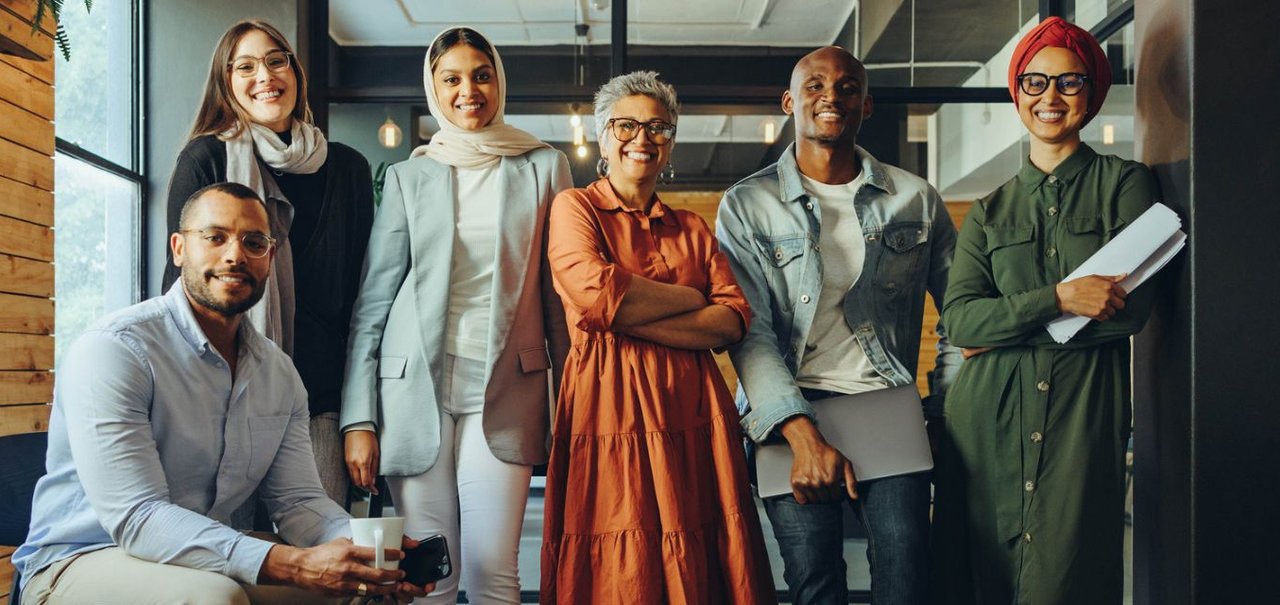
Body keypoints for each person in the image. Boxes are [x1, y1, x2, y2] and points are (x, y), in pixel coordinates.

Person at [12, 183, 430, 605]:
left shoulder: (279, 374)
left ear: (269, 258)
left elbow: (298, 501)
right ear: (178, 249)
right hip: (80, 558)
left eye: (254, 242)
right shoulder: (115, 349)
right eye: (214, 237)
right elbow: (138, 517)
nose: (235, 255)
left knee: (348, 588)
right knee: (214, 597)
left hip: (196, 553)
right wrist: (296, 564)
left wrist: (371, 551)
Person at [715, 46, 959, 605]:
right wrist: (801, 435)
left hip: (887, 408)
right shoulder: (748, 205)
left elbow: (961, 317)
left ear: (866, 105)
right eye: (816, 85)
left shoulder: (915, 199)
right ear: (789, 102)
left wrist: (942, 412)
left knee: (906, 580)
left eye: (848, 87)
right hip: (788, 416)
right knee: (814, 584)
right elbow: (749, 334)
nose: (832, 96)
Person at [931, 17, 1159, 605]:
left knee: (1065, 581)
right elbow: (959, 322)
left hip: (1083, 418)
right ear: (1017, 93)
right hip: (985, 423)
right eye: (1034, 83)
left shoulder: (1128, 186)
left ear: (1093, 91)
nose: (1049, 99)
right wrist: (1057, 298)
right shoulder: (987, 211)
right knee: (982, 580)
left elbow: (1129, 312)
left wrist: (1004, 325)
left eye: (1068, 82)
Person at [341, 27, 572, 605]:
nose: (469, 90)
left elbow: (559, 301)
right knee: (428, 576)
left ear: (499, 82)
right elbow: (372, 305)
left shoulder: (544, 168)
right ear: (434, 89)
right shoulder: (408, 176)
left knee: (494, 570)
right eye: (452, 79)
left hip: (508, 388)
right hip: (412, 392)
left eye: (481, 74)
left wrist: (573, 401)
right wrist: (358, 419)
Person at [540, 71, 776, 605]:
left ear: (670, 140)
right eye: (626, 125)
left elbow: (734, 317)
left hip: (691, 410)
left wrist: (630, 311)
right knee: (621, 553)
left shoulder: (692, 226)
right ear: (603, 137)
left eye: (657, 127)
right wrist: (692, 299)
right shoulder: (574, 208)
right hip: (608, 406)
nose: (641, 138)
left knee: (697, 550)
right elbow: (595, 292)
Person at [162, 20, 375, 508]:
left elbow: (365, 299)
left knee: (321, 557)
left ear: (295, 73)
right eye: (246, 66)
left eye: (276, 60)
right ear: (227, 82)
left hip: (319, 397)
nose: (265, 75)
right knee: (229, 559)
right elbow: (179, 285)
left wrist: (360, 416)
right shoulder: (205, 159)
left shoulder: (348, 168)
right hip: (220, 397)